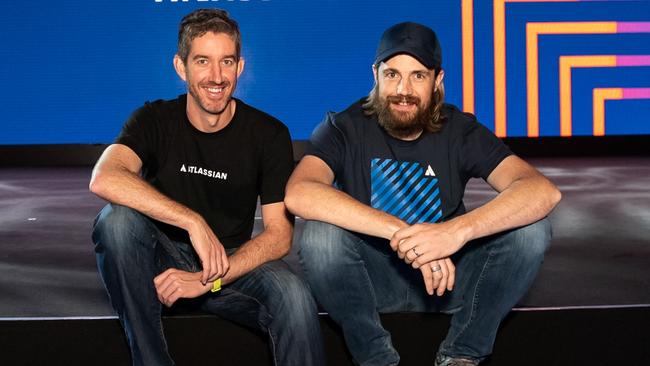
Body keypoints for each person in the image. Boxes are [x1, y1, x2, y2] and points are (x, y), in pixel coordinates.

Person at [285, 22, 561, 366]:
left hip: (448, 282)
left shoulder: (459, 130)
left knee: (531, 229)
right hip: (372, 278)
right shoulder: (343, 126)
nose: (403, 89)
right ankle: (376, 359)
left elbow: (541, 191)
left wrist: (453, 233)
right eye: (392, 75)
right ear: (375, 74)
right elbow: (300, 193)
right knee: (320, 235)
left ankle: (461, 354)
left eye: (418, 76)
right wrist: (408, 237)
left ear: (438, 80)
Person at [90, 9, 324, 366]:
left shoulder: (269, 134)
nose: (216, 76)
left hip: (228, 265)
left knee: (294, 295)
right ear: (181, 67)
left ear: (240, 67)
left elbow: (279, 236)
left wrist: (208, 279)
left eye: (226, 61)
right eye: (202, 61)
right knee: (116, 222)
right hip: (160, 259)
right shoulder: (153, 119)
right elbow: (105, 176)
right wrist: (192, 221)